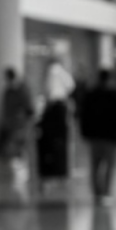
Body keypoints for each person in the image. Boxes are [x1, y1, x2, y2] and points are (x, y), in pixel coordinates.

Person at [79, 69, 116, 205]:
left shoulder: (91, 95)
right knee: (109, 166)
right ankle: (106, 192)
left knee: (95, 166)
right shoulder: (115, 95)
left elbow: (84, 115)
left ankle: (97, 193)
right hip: (110, 137)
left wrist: (85, 133)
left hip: (95, 137)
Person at [37, 59, 77, 188]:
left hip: (56, 109)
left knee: (54, 146)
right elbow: (71, 86)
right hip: (58, 110)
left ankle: (56, 171)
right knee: (59, 145)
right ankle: (59, 171)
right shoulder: (60, 73)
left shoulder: (53, 72)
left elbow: (48, 90)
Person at [0, 68, 35, 169]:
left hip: (20, 125)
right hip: (11, 125)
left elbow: (29, 109)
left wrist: (25, 124)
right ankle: (15, 169)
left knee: (18, 148)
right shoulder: (8, 91)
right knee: (10, 148)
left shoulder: (22, 90)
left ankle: (20, 170)